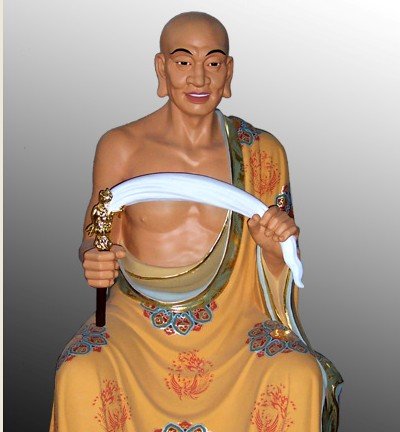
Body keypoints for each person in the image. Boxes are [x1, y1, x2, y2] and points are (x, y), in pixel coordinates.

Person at [50, 11, 341, 432]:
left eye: (213, 62)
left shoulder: (260, 151)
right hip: (137, 320)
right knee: (79, 372)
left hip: (235, 322)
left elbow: (284, 265)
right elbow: (95, 232)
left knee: (298, 373)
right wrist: (93, 258)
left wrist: (274, 248)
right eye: (184, 61)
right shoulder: (122, 146)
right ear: (161, 68)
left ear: (229, 71)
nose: (199, 78)